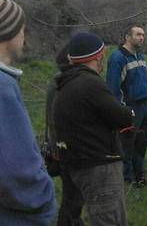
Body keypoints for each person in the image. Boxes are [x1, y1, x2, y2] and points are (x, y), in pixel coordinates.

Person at [54, 32, 135, 226]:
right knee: (109, 218)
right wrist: (130, 112)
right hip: (99, 166)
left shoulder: (65, 84)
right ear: (98, 57)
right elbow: (121, 116)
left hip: (78, 162)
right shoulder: (91, 83)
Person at [0, 0, 56, 225]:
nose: (24, 35)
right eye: (21, 28)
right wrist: (45, 200)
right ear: (8, 30)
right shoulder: (2, 86)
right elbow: (16, 170)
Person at [106, 25, 147, 187]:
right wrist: (123, 109)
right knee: (127, 145)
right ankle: (127, 179)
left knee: (141, 144)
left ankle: (139, 176)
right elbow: (113, 88)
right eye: (138, 34)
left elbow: (145, 79)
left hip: (146, 106)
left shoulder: (139, 55)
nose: (142, 37)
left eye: (143, 34)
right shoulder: (117, 58)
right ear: (127, 37)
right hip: (131, 108)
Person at [46, 44, 85, 226]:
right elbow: (54, 121)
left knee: (74, 194)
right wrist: (58, 151)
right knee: (73, 193)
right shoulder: (61, 83)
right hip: (65, 148)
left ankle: (73, 220)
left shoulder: (61, 81)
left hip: (65, 146)